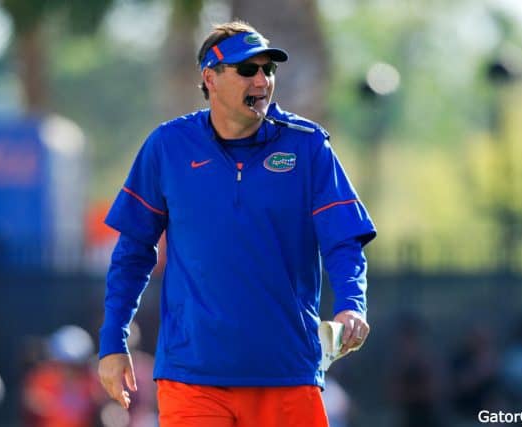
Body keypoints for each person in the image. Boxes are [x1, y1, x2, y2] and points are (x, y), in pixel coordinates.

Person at [97, 20, 376, 427]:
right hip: (192, 378)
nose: (262, 80)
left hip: (286, 374)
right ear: (210, 78)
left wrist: (352, 304)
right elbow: (133, 252)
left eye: (269, 70)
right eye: (248, 69)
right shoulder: (167, 146)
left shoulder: (308, 145)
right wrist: (112, 341)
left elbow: (343, 240)